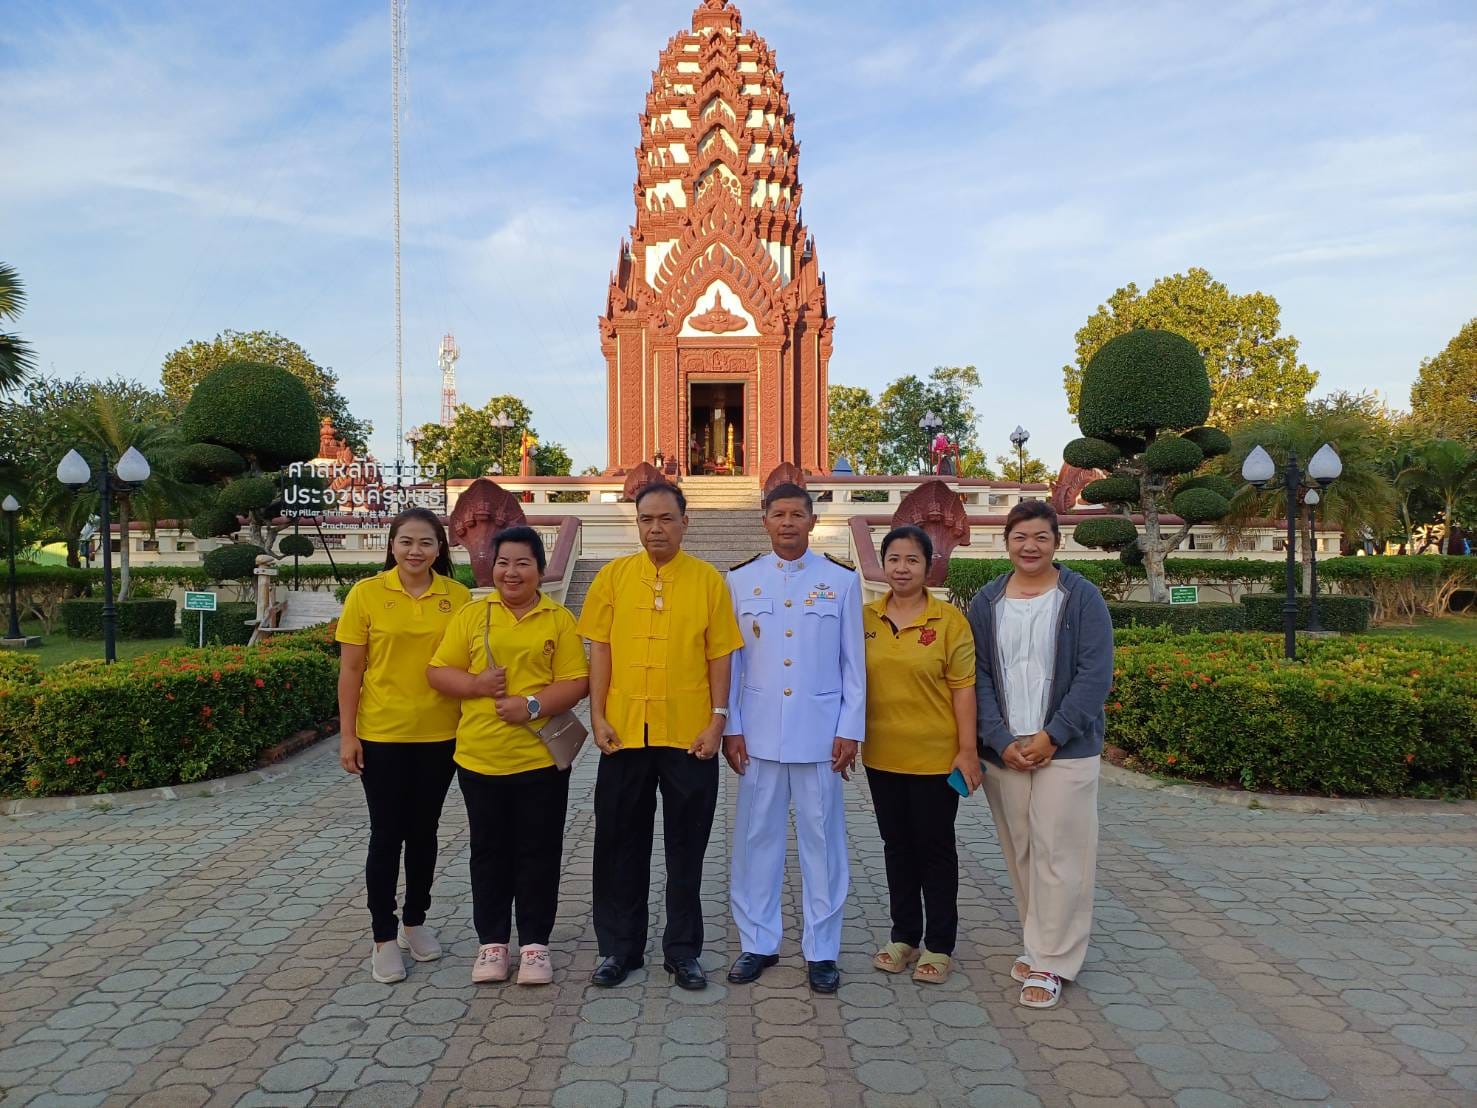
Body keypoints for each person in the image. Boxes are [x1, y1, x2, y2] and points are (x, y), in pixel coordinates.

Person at [576, 482, 743, 990]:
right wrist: (598, 715)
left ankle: (682, 950)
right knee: (618, 845)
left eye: (666, 518)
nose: (655, 528)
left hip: (689, 735)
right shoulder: (612, 577)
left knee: (686, 849)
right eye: (646, 519)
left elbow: (721, 654)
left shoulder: (708, 581)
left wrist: (718, 719)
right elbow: (600, 650)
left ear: (685, 522)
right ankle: (619, 949)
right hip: (624, 733)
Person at [966, 499, 1113, 1009]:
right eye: (1020, 537)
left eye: (1040, 538)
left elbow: (1095, 676)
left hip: (1065, 750)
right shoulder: (986, 602)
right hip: (1005, 750)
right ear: (1005, 542)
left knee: (1062, 852)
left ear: (1057, 543)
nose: (1030, 547)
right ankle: (1039, 941)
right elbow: (977, 676)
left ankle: (1052, 960)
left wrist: (1052, 735)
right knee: (1023, 850)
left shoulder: (1081, 598)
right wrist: (1001, 739)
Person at [427, 526, 589, 986]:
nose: (511, 572)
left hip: (540, 761)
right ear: (491, 568)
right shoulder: (472, 616)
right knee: (489, 852)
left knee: (539, 851)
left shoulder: (558, 619)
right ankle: (492, 943)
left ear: (539, 569)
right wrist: (476, 685)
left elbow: (577, 681)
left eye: (522, 563)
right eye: (503, 563)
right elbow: (438, 671)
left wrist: (531, 705)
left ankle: (536, 944)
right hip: (480, 759)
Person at [723, 483, 865, 994]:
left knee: (823, 843)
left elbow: (854, 664)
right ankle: (757, 941)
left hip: (821, 734)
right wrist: (731, 726)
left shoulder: (842, 581)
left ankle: (822, 950)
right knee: (756, 840)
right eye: (778, 514)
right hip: (758, 735)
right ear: (764, 520)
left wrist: (851, 728)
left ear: (812, 521)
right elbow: (733, 662)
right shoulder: (740, 580)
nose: (788, 522)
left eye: (797, 514)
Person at [336, 507, 472, 984]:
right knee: (387, 833)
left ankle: (415, 920)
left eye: (427, 543)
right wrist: (348, 734)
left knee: (426, 832)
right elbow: (351, 670)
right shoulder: (367, 594)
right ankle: (382, 935)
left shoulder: (456, 597)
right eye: (407, 542)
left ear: (440, 549)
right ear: (392, 544)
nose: (416, 551)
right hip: (382, 735)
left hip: (442, 735)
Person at [862, 525, 980, 984]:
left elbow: (964, 691)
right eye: (894, 559)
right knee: (896, 848)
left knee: (935, 849)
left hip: (935, 757)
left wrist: (967, 751)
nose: (902, 568)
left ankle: (940, 944)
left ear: (927, 566)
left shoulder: (949, 621)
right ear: (883, 564)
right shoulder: (867, 618)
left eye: (912, 560)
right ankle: (904, 935)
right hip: (882, 755)